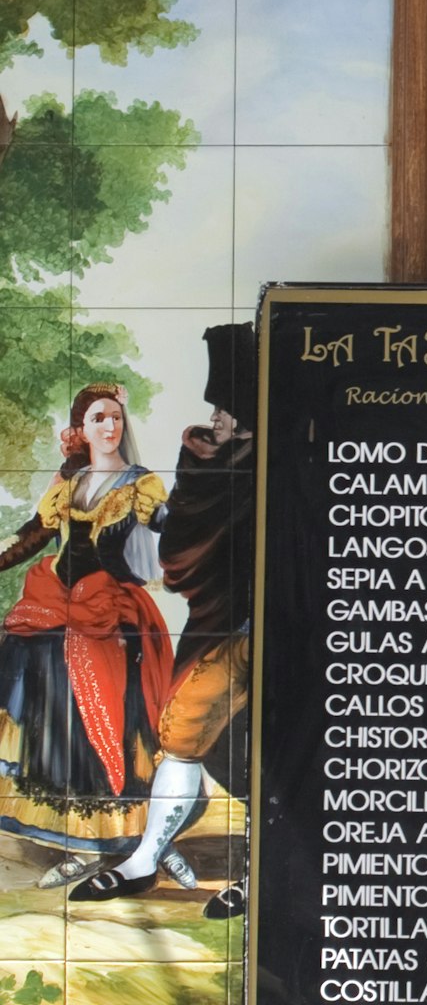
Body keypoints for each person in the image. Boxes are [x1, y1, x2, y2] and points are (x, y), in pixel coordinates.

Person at [74, 325, 258, 915]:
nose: (216, 420)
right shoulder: (218, 465)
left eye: (226, 410)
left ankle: (261, 874)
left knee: (276, 751)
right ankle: (144, 861)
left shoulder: (280, 465)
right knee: (186, 738)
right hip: (225, 627)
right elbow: (185, 544)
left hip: (286, 634)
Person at [0, 385, 176, 880]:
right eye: (99, 418)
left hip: (110, 619)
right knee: (53, 721)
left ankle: (103, 844)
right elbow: (33, 534)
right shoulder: (70, 482)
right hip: (56, 610)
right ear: (83, 427)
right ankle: (68, 839)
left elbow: (168, 524)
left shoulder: (139, 485)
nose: (109, 426)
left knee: (101, 727)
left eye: (116, 418)